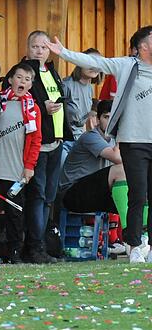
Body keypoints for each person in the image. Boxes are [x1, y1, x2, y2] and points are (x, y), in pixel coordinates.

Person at [45, 28, 152, 263]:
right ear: (143, 46)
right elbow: (94, 61)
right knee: (138, 193)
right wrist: (63, 52)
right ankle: (134, 246)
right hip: (133, 141)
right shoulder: (127, 66)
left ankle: (150, 246)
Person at [10, 30, 73, 263]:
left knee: (48, 196)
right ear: (27, 49)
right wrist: (41, 107)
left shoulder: (52, 72)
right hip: (38, 144)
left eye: (43, 47)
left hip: (56, 141)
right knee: (37, 195)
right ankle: (33, 247)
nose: (39, 51)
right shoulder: (22, 72)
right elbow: (18, 99)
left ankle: (42, 244)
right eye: (35, 46)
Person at [0, 63, 42, 264]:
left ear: (31, 84)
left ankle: (15, 252)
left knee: (15, 213)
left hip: (16, 170)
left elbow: (36, 139)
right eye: (19, 77)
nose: (22, 82)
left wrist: (29, 166)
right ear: (9, 79)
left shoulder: (33, 108)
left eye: (27, 79)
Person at [59, 101, 139, 255]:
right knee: (121, 170)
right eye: (106, 117)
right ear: (97, 119)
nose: (110, 122)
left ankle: (140, 237)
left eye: (114, 118)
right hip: (72, 193)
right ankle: (130, 237)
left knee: (141, 188)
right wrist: (123, 134)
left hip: (94, 193)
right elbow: (117, 158)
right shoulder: (90, 137)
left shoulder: (113, 140)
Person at [61, 48, 104, 160]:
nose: (93, 67)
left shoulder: (90, 88)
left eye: (97, 63)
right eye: (89, 62)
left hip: (80, 140)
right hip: (64, 142)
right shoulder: (66, 85)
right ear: (79, 63)